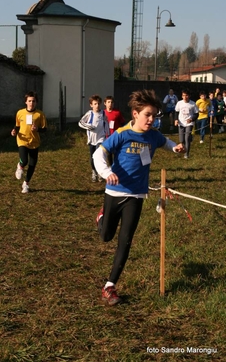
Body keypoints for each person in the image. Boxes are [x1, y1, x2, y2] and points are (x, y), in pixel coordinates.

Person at [93, 89, 185, 306]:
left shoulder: (153, 135)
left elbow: (165, 142)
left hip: (136, 194)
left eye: (154, 115)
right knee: (106, 236)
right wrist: (107, 173)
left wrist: (175, 148)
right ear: (135, 114)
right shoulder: (123, 134)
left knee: (125, 242)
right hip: (114, 191)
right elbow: (99, 153)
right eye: (147, 115)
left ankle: (109, 286)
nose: (151, 119)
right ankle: (101, 217)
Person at [11, 91, 47, 193]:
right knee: (24, 160)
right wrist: (14, 131)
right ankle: (20, 166)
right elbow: (17, 126)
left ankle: (26, 184)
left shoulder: (40, 114)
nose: (32, 103)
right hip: (22, 140)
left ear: (36, 102)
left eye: (34, 101)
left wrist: (37, 129)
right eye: (29, 101)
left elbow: (45, 129)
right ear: (26, 102)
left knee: (32, 164)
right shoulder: (20, 113)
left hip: (34, 142)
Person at [79, 94, 110, 182]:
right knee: (93, 157)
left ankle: (100, 174)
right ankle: (94, 171)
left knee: (99, 155)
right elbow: (81, 122)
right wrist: (88, 126)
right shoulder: (90, 114)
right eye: (95, 104)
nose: (97, 106)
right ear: (91, 105)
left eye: (98, 104)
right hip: (92, 139)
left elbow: (106, 124)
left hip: (101, 138)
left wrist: (108, 135)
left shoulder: (103, 113)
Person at [174, 89, 199, 158]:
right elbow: (176, 112)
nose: (185, 97)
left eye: (186, 95)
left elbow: (196, 114)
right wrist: (176, 120)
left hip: (189, 123)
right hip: (181, 123)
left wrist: (191, 119)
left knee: (187, 138)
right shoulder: (179, 103)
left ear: (189, 96)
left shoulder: (193, 104)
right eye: (183, 95)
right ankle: (182, 150)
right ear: (182, 96)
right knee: (181, 140)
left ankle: (186, 154)